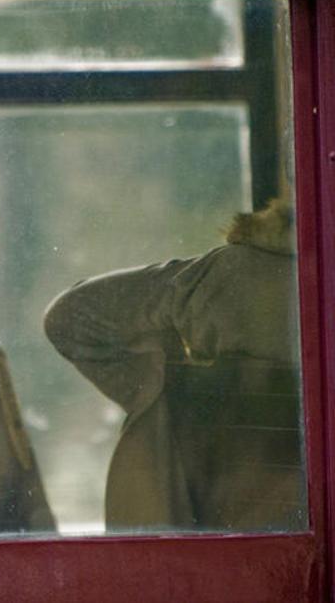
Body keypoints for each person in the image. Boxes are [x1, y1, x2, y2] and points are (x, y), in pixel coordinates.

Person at [43, 197, 304, 532]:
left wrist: (167, 388)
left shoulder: (235, 275)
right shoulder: (251, 274)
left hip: (214, 532)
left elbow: (70, 317)